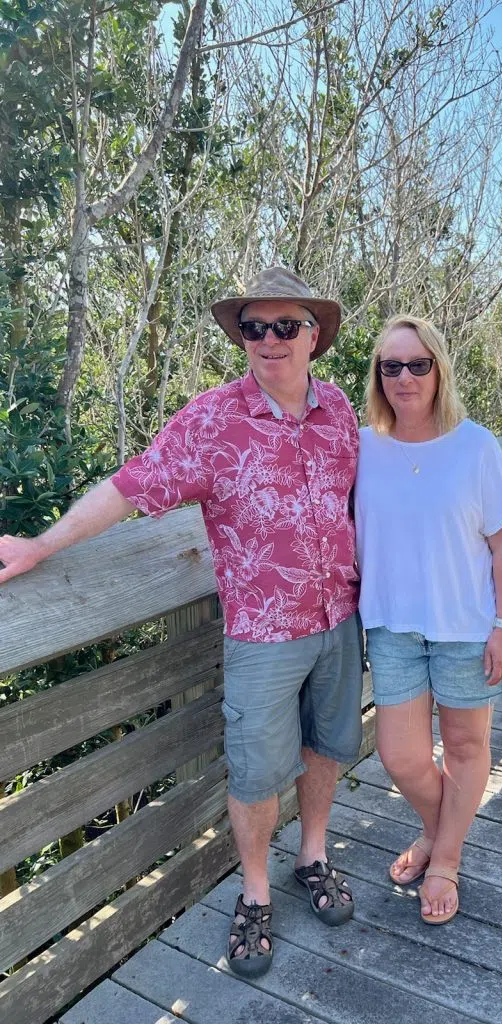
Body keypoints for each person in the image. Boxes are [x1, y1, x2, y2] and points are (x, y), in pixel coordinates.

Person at [0, 267, 364, 977]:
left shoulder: (341, 412)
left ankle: (313, 855)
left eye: (284, 326)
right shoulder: (214, 421)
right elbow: (131, 486)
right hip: (262, 633)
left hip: (340, 618)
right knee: (258, 773)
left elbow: (373, 497)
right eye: (252, 328)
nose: (267, 340)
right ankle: (256, 892)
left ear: (313, 335)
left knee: (329, 745)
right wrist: (43, 543)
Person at [354, 314, 502, 925]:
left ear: (439, 370)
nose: (404, 377)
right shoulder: (363, 445)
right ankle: (438, 829)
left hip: (466, 624)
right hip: (393, 625)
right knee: (400, 756)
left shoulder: (475, 445)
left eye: (417, 364)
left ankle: (444, 857)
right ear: (378, 376)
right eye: (390, 366)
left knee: (464, 744)